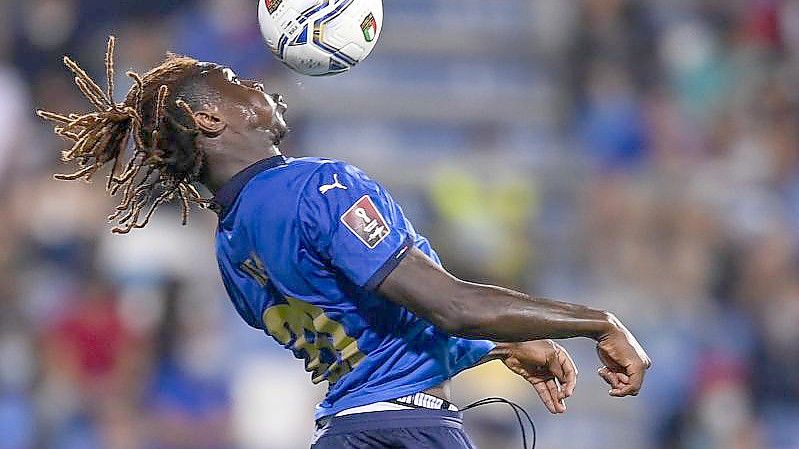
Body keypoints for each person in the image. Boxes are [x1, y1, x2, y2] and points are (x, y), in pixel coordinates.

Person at [38, 37, 651, 449]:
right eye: (229, 80)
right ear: (208, 119)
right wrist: (596, 322)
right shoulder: (319, 189)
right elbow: (452, 306)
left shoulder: (231, 250)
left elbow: (365, 336)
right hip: (408, 435)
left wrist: (494, 347)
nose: (251, 83)